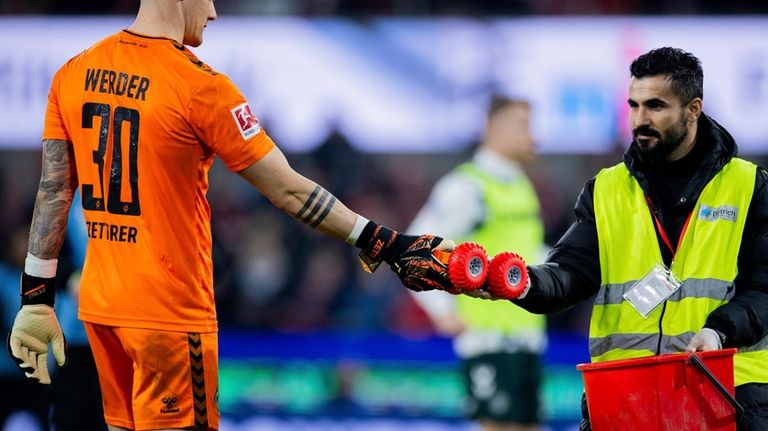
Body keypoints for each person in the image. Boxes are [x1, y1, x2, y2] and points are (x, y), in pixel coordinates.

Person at [5, 1, 451, 430]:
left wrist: (36, 299)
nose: (214, 11)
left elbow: (54, 190)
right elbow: (290, 190)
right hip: (170, 318)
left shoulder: (73, 72)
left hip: (102, 312)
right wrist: (386, 243)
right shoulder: (200, 85)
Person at [431, 47, 768, 429]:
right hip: (626, 397)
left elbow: (765, 289)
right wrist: (518, 283)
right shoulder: (606, 189)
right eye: (634, 105)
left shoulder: (750, 186)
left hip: (725, 393)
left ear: (693, 109)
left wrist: (719, 330)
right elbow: (570, 273)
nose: (640, 119)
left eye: (655, 106)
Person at [408, 97, 546, 431]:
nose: (534, 136)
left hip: (527, 335)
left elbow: (529, 252)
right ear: (494, 129)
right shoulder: (468, 187)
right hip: (487, 336)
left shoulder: (520, 185)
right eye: (524, 125)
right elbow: (417, 248)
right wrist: (441, 311)